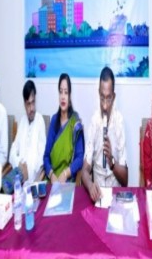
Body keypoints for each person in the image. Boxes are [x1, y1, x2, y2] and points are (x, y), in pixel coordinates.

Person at [82, 67, 128, 202]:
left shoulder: (119, 121)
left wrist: (112, 161)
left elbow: (125, 180)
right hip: (98, 195)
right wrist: (90, 185)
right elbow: (85, 170)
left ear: (114, 96)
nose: (105, 106)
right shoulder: (94, 121)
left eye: (109, 98)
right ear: (98, 93)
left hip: (115, 196)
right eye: (102, 98)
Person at [43, 73, 84, 184]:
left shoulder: (75, 123)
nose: (63, 96)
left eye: (66, 92)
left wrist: (66, 173)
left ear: (70, 96)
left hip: (67, 181)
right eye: (60, 92)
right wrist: (51, 175)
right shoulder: (54, 120)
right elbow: (46, 156)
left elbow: (80, 158)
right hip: (51, 180)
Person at [10, 80, 47, 184]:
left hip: (33, 181)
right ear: (24, 104)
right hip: (18, 178)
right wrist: (19, 165)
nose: (31, 108)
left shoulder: (40, 121)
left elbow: (42, 157)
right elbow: (12, 151)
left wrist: (28, 172)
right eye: (28, 104)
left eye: (33, 102)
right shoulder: (22, 121)